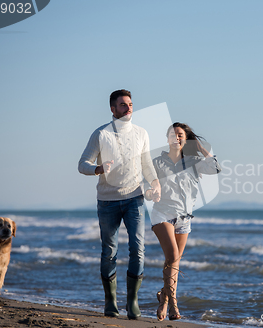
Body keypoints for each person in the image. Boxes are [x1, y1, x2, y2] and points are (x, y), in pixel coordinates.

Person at [78, 89, 161, 319]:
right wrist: (97, 169)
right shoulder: (101, 134)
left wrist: (155, 184)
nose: (129, 108)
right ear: (113, 109)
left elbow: (147, 164)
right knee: (109, 252)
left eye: (131, 104)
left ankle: (132, 302)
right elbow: (82, 164)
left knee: (138, 250)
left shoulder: (141, 133)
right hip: (107, 201)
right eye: (123, 105)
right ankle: (110, 301)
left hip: (135, 198)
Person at [145, 122, 221, 321]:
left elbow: (216, 168)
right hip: (162, 214)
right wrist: (151, 192)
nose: (176, 137)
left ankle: (164, 297)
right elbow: (145, 185)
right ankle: (171, 304)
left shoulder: (195, 162)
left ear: (185, 139)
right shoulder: (157, 162)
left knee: (174, 262)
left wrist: (200, 148)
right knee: (173, 255)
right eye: (173, 134)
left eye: (180, 135)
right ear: (167, 138)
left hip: (185, 218)